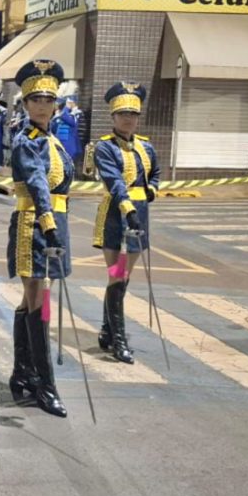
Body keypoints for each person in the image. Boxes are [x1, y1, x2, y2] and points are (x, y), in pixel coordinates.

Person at [6, 60, 72, 417]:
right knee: (41, 302)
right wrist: (49, 226)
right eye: (35, 99)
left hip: (52, 223)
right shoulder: (26, 141)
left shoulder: (51, 139)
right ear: (25, 103)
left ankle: (23, 373)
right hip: (35, 224)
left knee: (32, 301)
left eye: (48, 98)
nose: (43, 104)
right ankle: (45, 386)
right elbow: (37, 185)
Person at [92, 82, 160, 365]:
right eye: (123, 114)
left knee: (125, 276)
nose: (128, 119)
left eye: (133, 113)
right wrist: (128, 208)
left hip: (139, 215)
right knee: (116, 275)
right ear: (113, 116)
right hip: (116, 217)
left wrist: (151, 191)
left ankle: (108, 330)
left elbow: (154, 173)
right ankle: (118, 340)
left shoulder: (146, 146)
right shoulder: (105, 147)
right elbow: (114, 182)